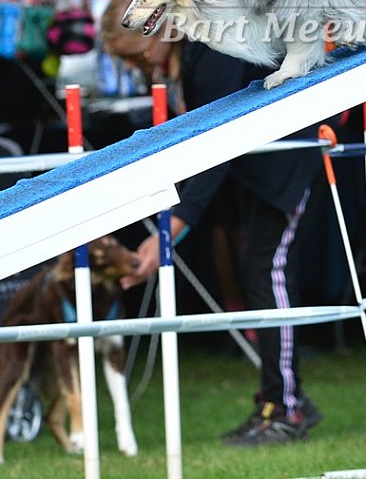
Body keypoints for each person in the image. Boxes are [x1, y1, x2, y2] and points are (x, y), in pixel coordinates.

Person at [121, 39, 325, 447]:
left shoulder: (212, 52)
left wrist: (173, 228)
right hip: (263, 172)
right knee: (259, 268)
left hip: (289, 164)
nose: (132, 64)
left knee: (267, 270)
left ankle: (286, 407)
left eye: (132, 53)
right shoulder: (192, 57)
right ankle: (282, 400)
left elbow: (218, 143)